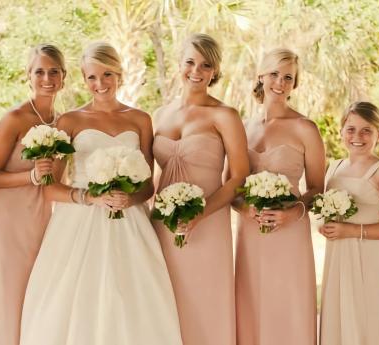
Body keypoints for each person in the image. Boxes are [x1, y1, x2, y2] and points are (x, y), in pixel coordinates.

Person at [19, 42, 182, 345]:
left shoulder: (140, 119)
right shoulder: (69, 121)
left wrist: (130, 198)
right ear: (83, 79)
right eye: (92, 77)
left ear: (118, 74)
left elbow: (147, 184)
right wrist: (90, 198)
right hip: (79, 223)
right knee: (79, 296)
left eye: (107, 75)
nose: (100, 84)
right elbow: (50, 189)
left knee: (132, 297)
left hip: (129, 222)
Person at [152, 33, 249, 345]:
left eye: (206, 65)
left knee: (207, 299)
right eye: (190, 62)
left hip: (209, 222)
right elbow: (153, 175)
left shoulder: (225, 115)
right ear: (179, 64)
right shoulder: (160, 115)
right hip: (164, 224)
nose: (196, 70)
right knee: (166, 300)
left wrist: (200, 214)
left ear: (214, 71)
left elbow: (238, 177)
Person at [0, 44, 65, 345]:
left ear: (64, 77)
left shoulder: (63, 124)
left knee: (37, 298)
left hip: (43, 222)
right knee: (10, 298)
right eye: (39, 71)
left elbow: (58, 179)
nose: (47, 78)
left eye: (54, 71)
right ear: (28, 76)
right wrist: (30, 175)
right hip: (8, 223)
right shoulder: (14, 118)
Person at [234, 48, 324, 345]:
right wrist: (245, 209)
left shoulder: (305, 128)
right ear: (261, 75)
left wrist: (291, 213)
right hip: (250, 230)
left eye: (288, 77)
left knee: (289, 302)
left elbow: (317, 189)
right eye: (275, 74)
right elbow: (232, 186)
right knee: (252, 301)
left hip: (290, 231)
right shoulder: (243, 128)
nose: (280, 83)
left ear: (294, 83)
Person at [319, 101, 379, 345]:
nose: (357, 136)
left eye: (366, 130)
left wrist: (351, 230)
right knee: (338, 315)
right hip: (337, 257)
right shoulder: (334, 167)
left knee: (365, 316)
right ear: (341, 131)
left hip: (366, 257)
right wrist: (323, 223)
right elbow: (326, 208)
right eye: (350, 129)